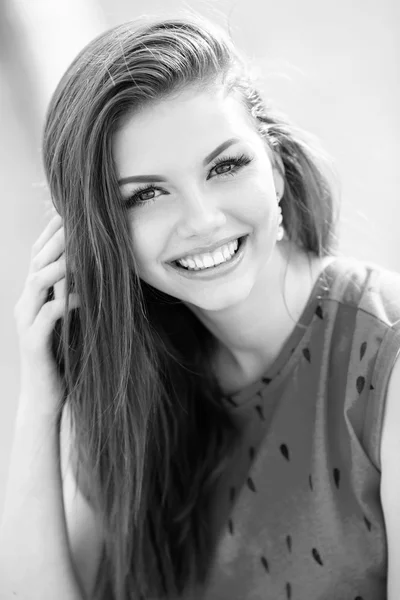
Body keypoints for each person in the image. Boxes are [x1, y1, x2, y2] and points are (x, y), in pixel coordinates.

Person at [1, 11, 400, 600]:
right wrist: (40, 400)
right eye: (147, 195)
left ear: (275, 167)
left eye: (226, 166)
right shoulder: (136, 381)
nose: (203, 220)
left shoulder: (385, 360)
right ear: (99, 233)